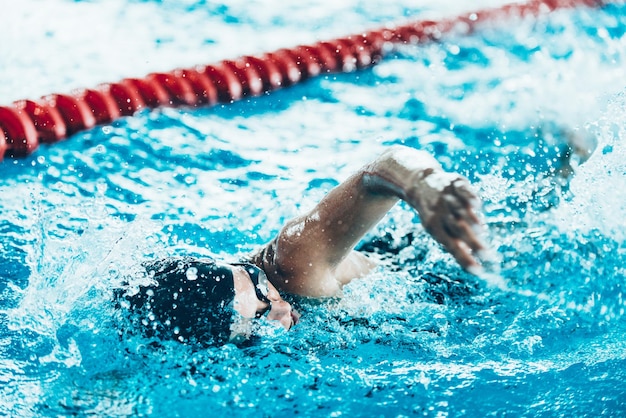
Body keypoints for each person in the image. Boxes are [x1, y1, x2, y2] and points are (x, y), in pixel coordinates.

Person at [119, 145, 489, 346]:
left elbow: (386, 165)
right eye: (257, 326)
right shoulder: (191, 320)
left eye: (264, 295)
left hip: (433, 266)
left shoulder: (296, 260)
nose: (281, 317)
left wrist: (425, 184)